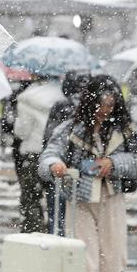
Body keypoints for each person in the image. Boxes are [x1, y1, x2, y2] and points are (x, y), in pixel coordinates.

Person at [38, 75, 137, 272]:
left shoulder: (126, 130)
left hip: (112, 199)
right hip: (79, 200)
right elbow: (48, 156)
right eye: (100, 104)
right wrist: (55, 165)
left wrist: (114, 163)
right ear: (90, 103)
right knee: (85, 267)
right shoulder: (70, 128)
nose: (104, 110)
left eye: (110, 105)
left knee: (112, 271)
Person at [14, 75, 64, 232]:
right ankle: (55, 232)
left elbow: (22, 131)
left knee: (31, 198)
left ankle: (33, 233)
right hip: (56, 156)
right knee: (55, 198)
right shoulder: (63, 94)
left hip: (32, 152)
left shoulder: (29, 98)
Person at [42, 71, 90, 235]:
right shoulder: (94, 108)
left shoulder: (60, 107)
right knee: (82, 223)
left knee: (57, 219)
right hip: (86, 173)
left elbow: (49, 139)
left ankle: (57, 252)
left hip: (59, 169)